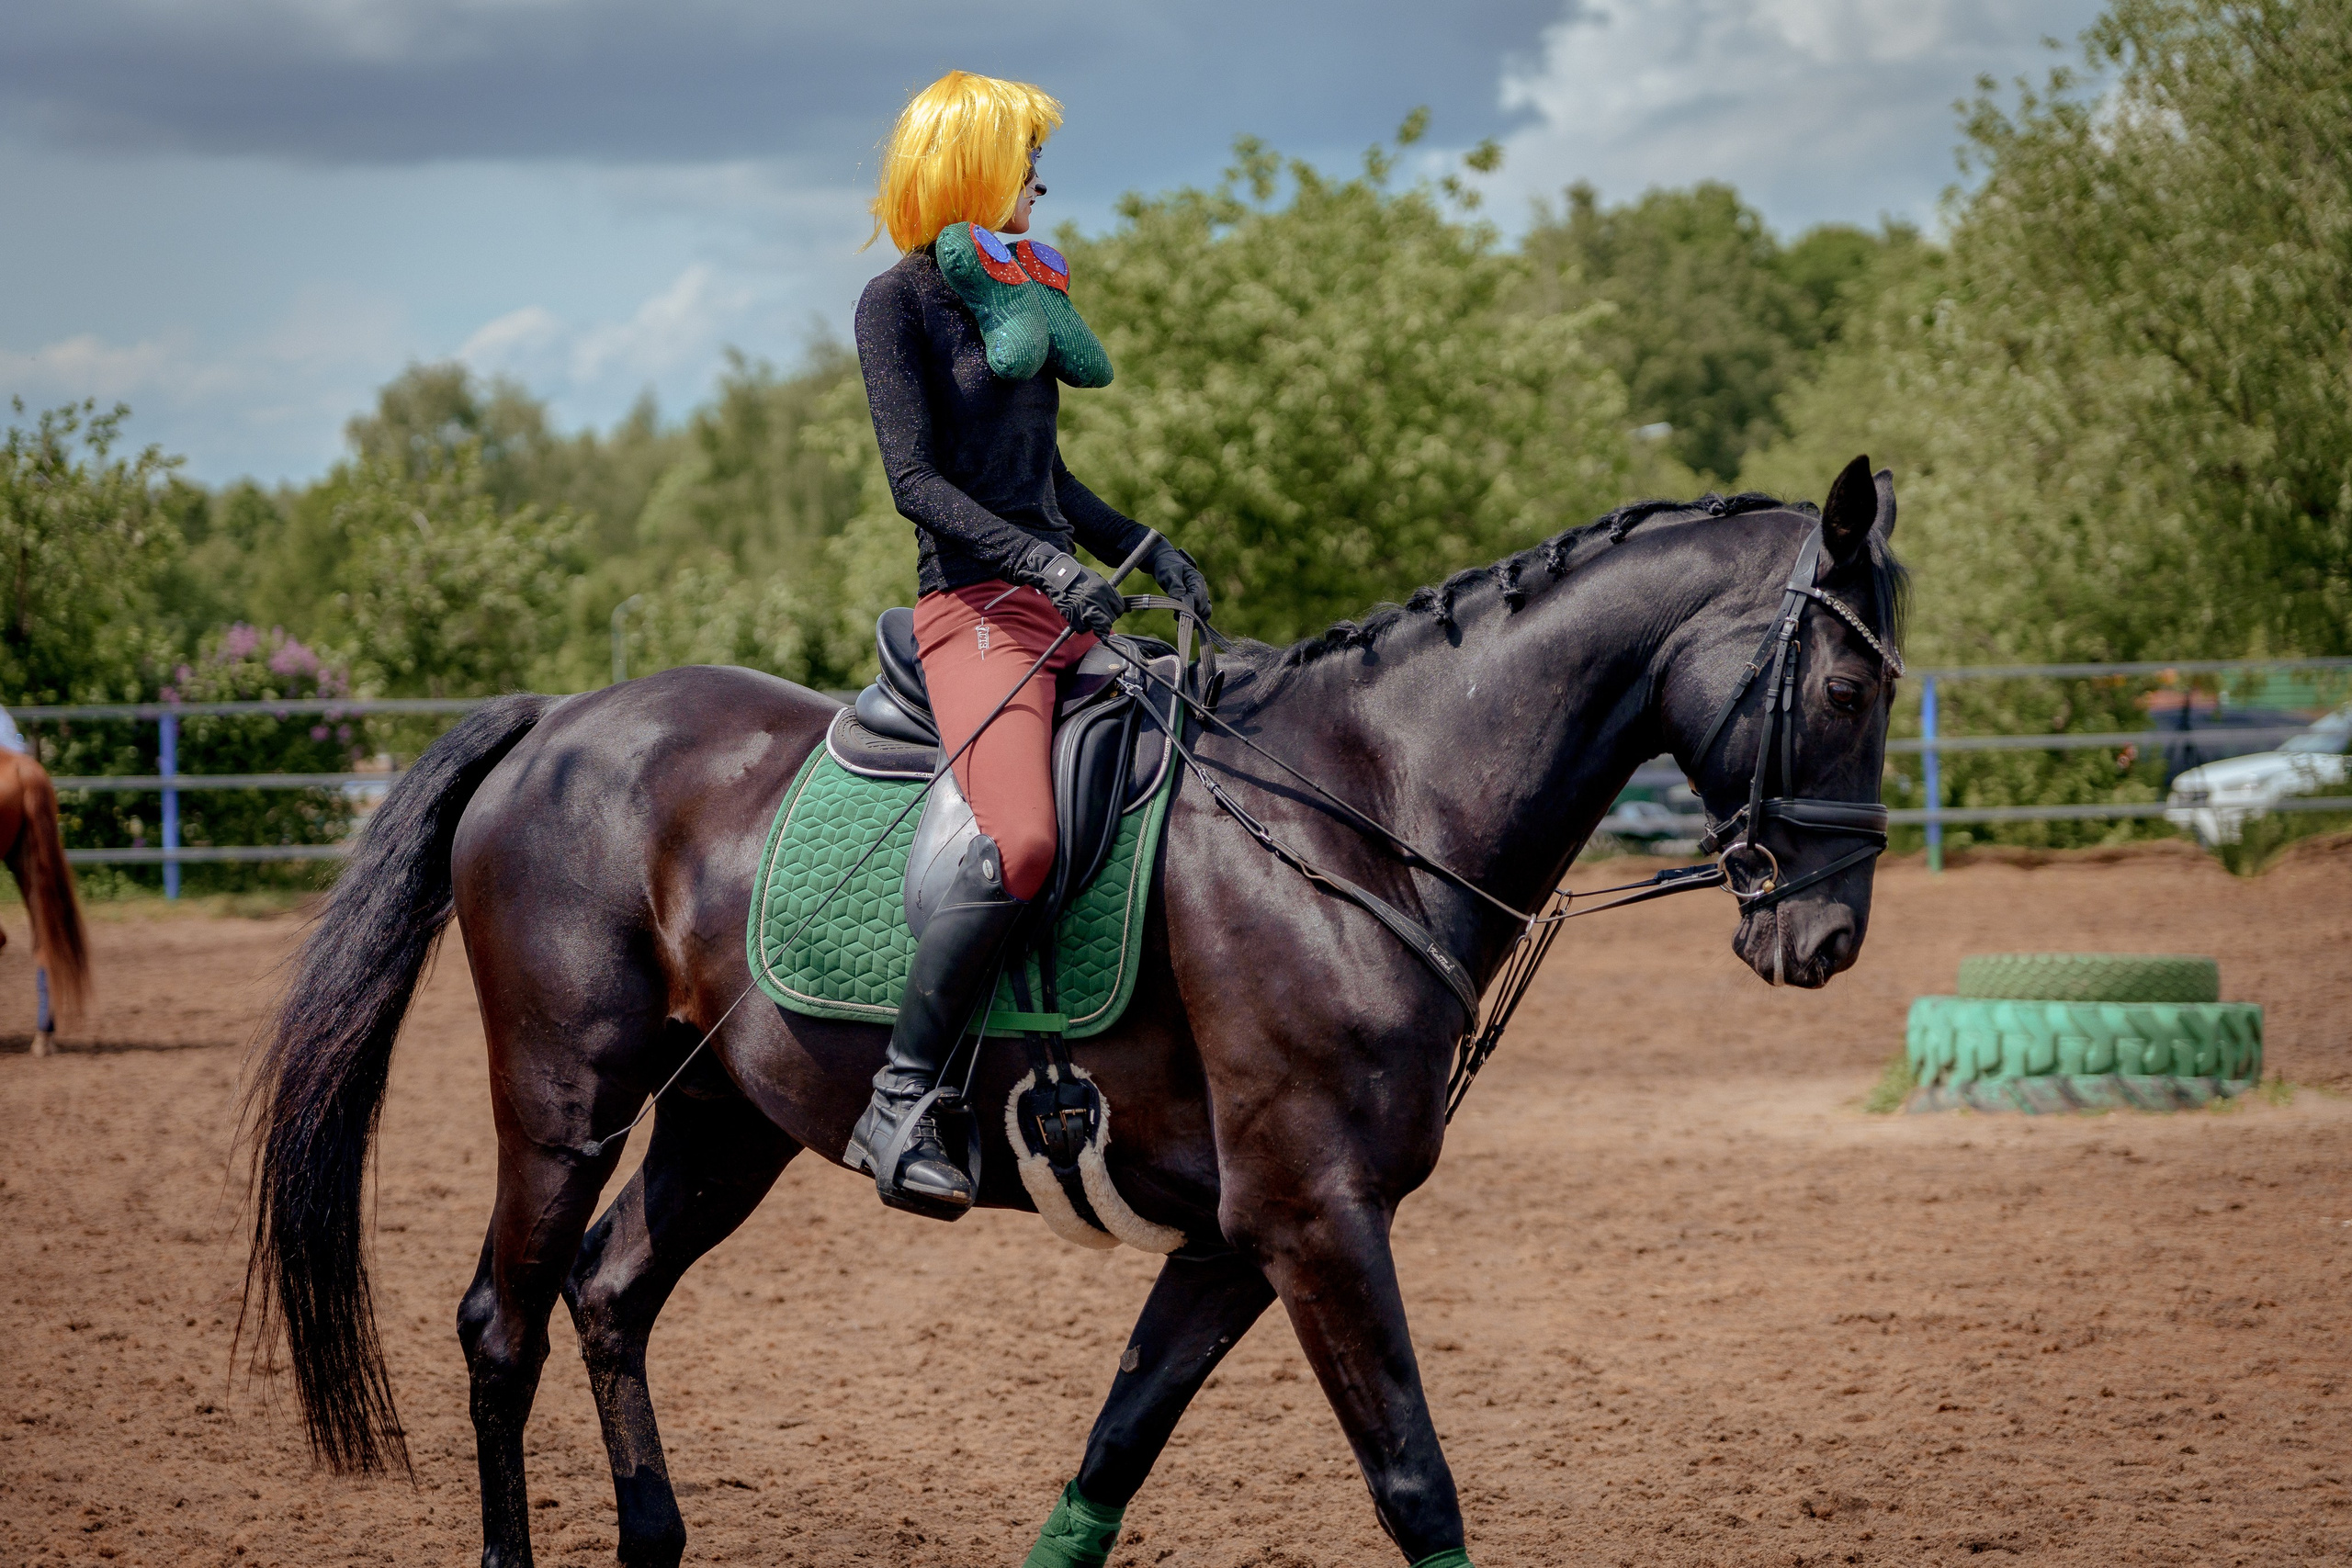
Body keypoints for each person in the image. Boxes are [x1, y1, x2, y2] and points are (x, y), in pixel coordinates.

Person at [844, 71, 1213, 1220]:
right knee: (1023, 843)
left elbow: (1041, 478)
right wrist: (1044, 568)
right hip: (977, 615)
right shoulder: (893, 303)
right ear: (966, 168)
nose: (1042, 182)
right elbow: (916, 485)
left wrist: (1137, 544)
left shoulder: (1020, 289)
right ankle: (900, 1097)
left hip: (1065, 607)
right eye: (1024, 161)